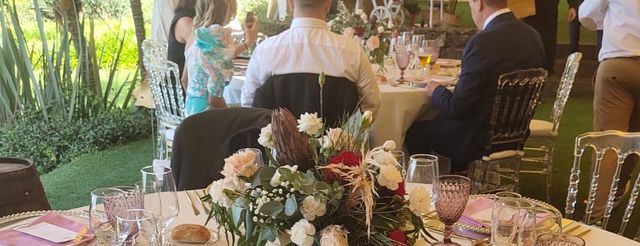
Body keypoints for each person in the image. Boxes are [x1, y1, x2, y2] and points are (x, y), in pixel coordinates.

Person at [405, 0, 545, 173]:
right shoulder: (532, 36)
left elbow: (458, 107)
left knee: (414, 130)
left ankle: (436, 189)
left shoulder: (482, 42)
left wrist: (435, 89)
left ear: (478, 3)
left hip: (476, 139)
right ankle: (460, 181)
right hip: (516, 133)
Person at [240, 0, 381, 114]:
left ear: (291, 3)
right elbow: (372, 104)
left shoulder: (264, 50)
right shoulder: (352, 51)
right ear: (328, 4)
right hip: (339, 148)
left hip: (276, 148)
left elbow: (248, 105)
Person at [579, 0, 640, 217]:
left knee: (608, 144)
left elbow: (586, 14)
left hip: (618, 62)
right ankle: (619, 188)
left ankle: (596, 213)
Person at [184, 0, 258, 116]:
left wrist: (247, 42)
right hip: (206, 119)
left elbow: (184, 79)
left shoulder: (194, 36)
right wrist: (233, 116)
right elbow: (214, 100)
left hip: (189, 114)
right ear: (228, 9)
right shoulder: (216, 36)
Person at [524, 0, 560, 73]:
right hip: (530, 6)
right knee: (529, 34)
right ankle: (537, 65)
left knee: (548, 35)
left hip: (547, 6)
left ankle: (547, 66)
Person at [168, 0, 196, 85]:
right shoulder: (185, 21)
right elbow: (207, 51)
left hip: (190, 83)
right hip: (182, 90)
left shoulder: (188, 18)